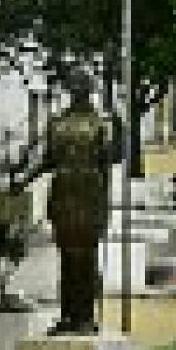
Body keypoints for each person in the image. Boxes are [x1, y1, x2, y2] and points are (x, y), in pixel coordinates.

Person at [19, 70, 121, 335]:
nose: (78, 91)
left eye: (81, 87)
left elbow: (110, 161)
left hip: (89, 194)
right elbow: (49, 160)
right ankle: (68, 317)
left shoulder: (101, 124)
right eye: (75, 87)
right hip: (64, 194)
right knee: (67, 259)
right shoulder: (57, 123)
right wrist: (24, 178)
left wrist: (106, 206)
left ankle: (85, 318)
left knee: (85, 259)